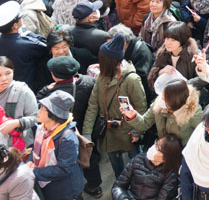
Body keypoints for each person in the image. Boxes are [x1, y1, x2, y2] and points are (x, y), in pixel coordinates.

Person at [83, 34, 148, 177]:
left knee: (137, 163)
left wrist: (138, 131)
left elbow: (141, 107)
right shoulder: (102, 77)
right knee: (116, 165)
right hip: (109, 130)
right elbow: (93, 104)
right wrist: (87, 132)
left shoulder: (131, 79)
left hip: (128, 131)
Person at [27, 91, 84, 200]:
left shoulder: (68, 138)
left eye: (42, 109)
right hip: (49, 187)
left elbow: (64, 169)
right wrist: (30, 161)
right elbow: (36, 149)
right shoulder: (42, 129)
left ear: (53, 114)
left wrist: (34, 172)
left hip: (65, 192)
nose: (38, 112)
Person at [111, 135, 181, 200]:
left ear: (166, 157)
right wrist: (123, 198)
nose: (154, 148)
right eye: (156, 143)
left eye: (158, 149)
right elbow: (117, 186)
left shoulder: (170, 175)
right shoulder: (138, 159)